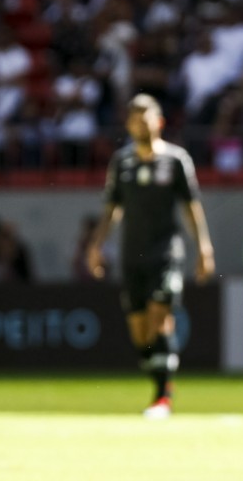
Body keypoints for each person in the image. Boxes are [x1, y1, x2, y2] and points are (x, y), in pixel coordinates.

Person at [87, 93, 215, 419]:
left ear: (158, 122)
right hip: (132, 256)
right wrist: (96, 245)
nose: (139, 124)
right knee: (140, 334)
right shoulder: (122, 162)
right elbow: (111, 209)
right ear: (128, 124)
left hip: (166, 253)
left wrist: (203, 246)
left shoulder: (175, 160)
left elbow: (191, 206)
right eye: (134, 119)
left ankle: (162, 397)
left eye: (145, 118)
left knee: (160, 316)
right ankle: (159, 383)